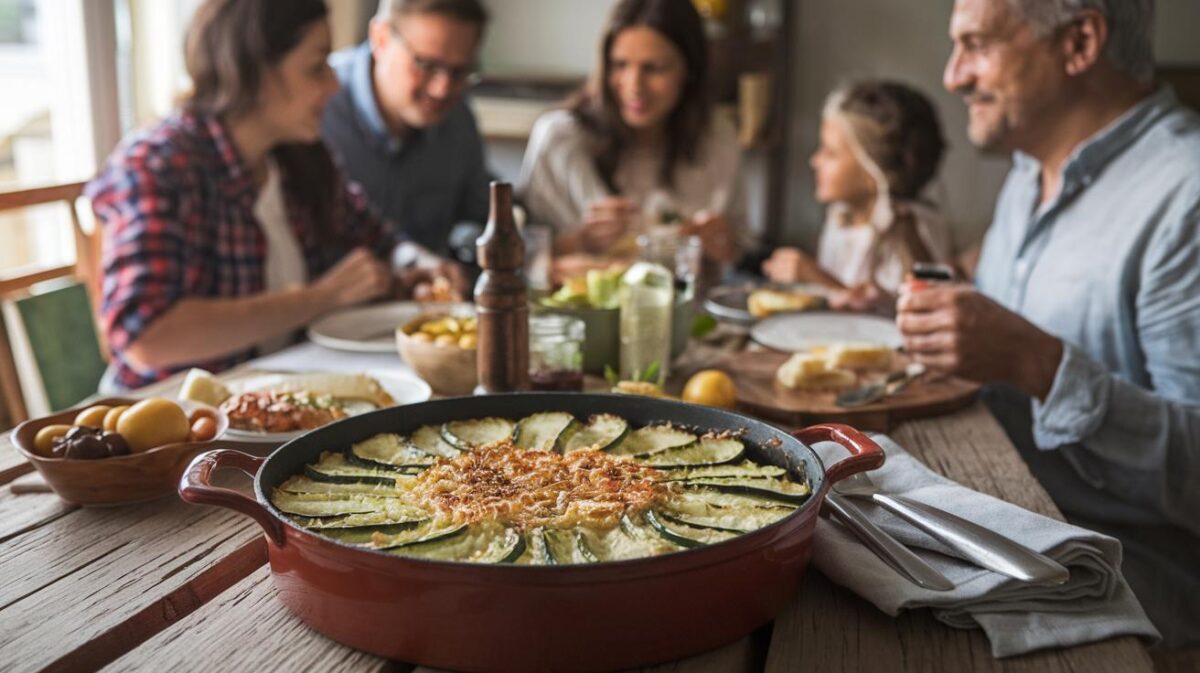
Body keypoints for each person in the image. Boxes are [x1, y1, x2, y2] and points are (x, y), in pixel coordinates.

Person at [899, 0, 1199, 648]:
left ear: (1080, 42)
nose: (952, 75)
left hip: (1123, 575)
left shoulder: (1187, 196)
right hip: (999, 518)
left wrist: (1038, 364)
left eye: (976, 44)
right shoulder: (1027, 172)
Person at [87, 0, 451, 389]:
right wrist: (320, 297)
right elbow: (146, 335)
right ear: (254, 73)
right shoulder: (158, 165)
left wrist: (421, 264)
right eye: (316, 66)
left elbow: (379, 237)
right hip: (173, 421)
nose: (333, 84)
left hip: (275, 397)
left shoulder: (299, 157)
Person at [517, 0, 741, 267]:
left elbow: (737, 254)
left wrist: (723, 245)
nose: (634, 85)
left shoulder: (715, 138)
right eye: (620, 65)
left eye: (654, 68)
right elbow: (521, 258)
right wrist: (579, 242)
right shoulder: (560, 139)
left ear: (689, 70)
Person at [322, 0, 490, 256]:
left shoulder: (459, 120)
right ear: (380, 39)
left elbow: (479, 217)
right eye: (425, 65)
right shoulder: (318, 108)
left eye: (459, 71)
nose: (441, 89)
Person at [762, 80, 953, 305]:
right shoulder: (840, 216)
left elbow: (921, 313)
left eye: (830, 153)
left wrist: (818, 280)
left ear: (872, 172)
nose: (815, 161)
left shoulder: (918, 230)